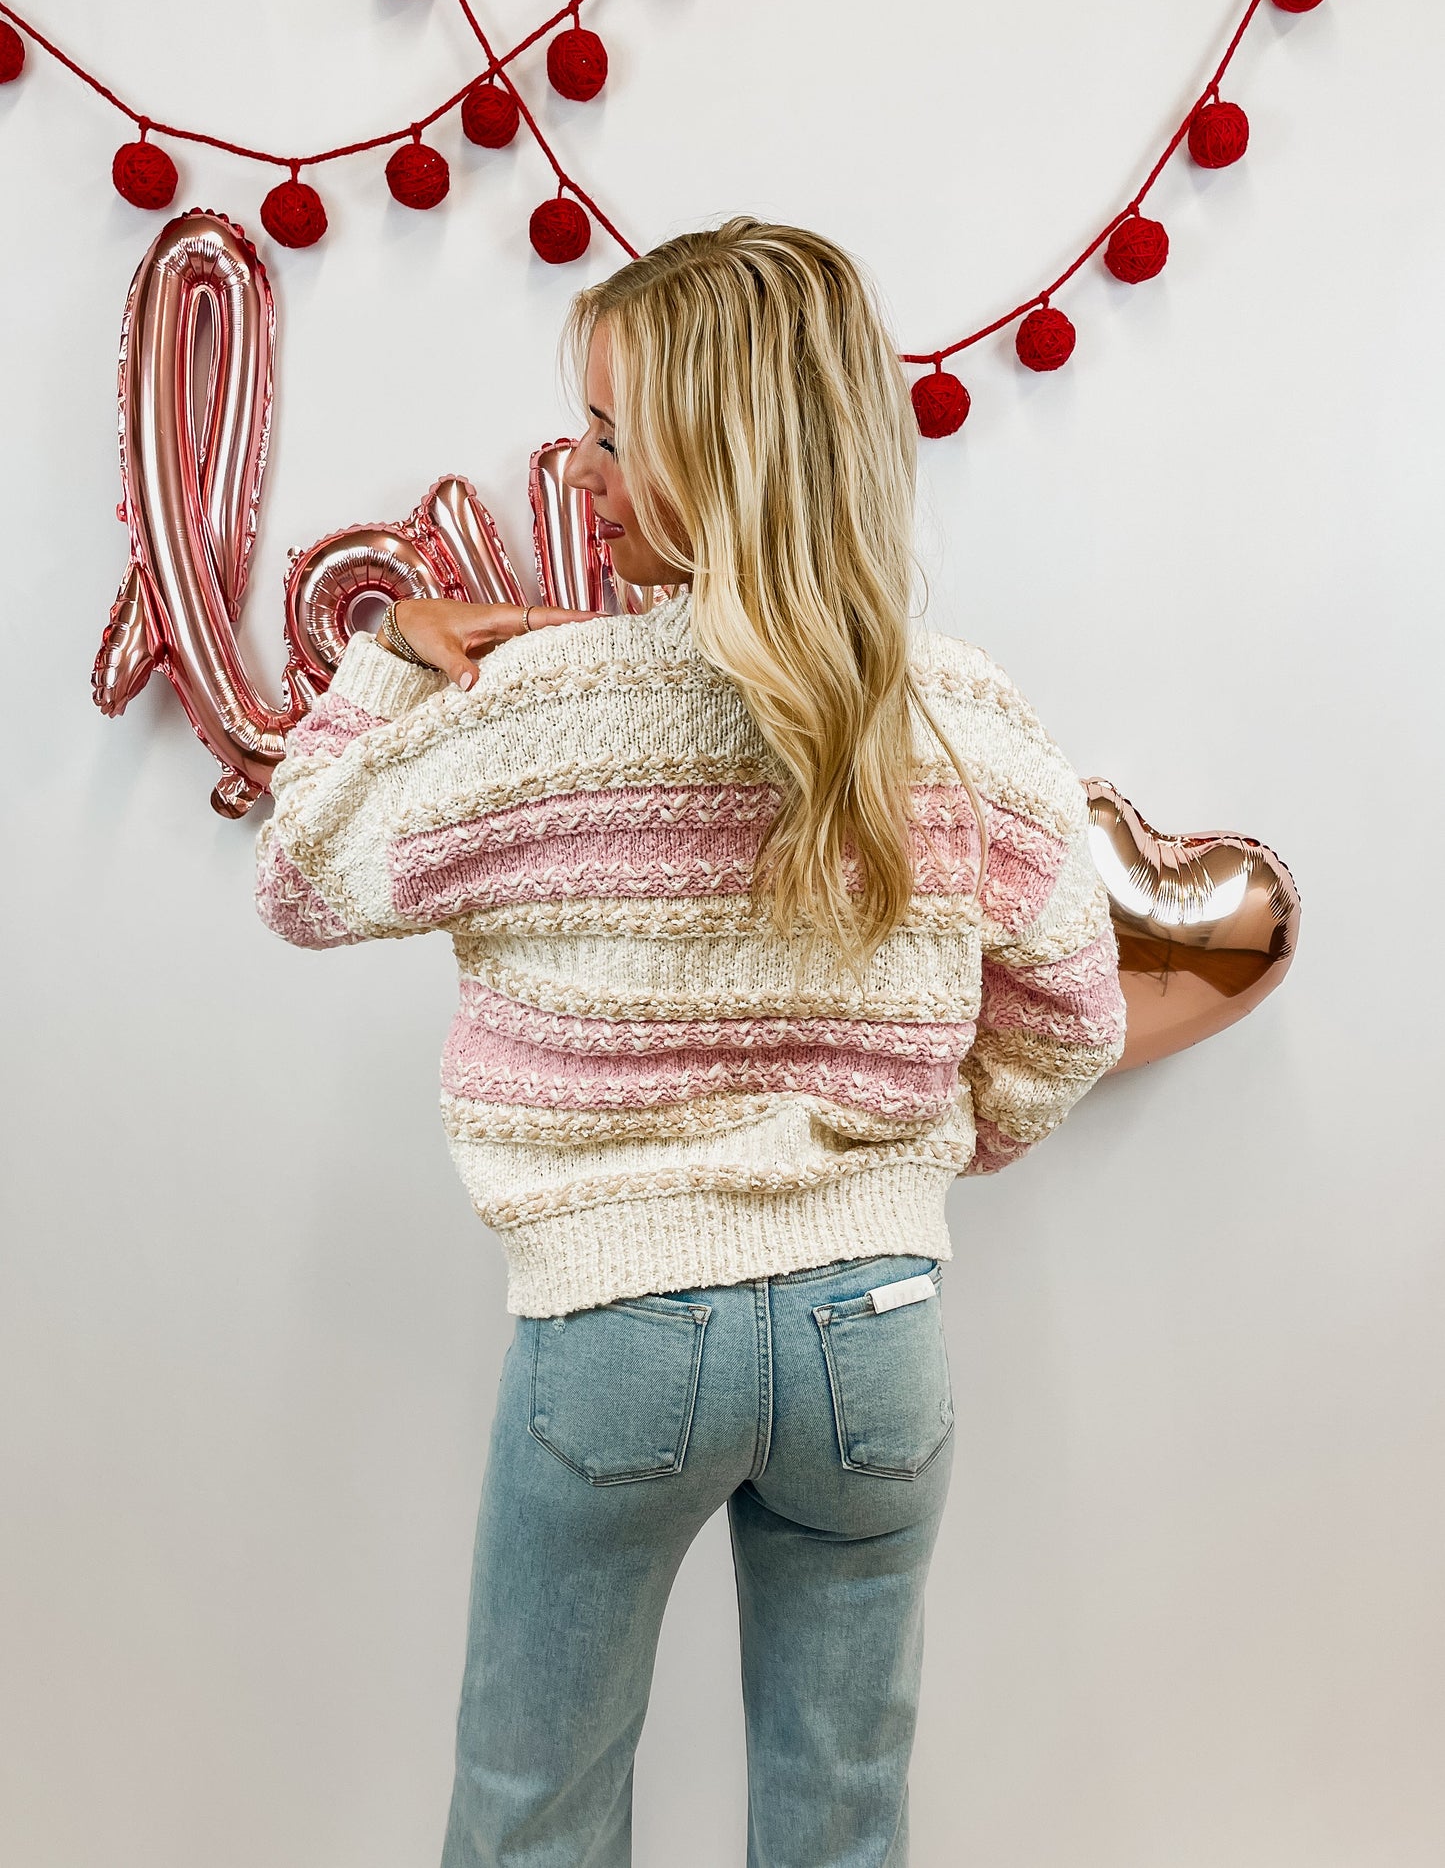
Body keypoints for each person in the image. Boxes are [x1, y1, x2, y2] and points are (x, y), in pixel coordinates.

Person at [254, 216, 1127, 1867]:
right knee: (841, 1813)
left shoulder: (544, 705)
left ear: (716, 452)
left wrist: (386, 658)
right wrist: (916, 1162)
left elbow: (302, 875)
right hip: (877, 1332)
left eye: (610, 434)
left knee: (534, 1809)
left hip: (618, 1334)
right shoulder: (963, 718)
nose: (574, 471)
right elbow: (1073, 1019)